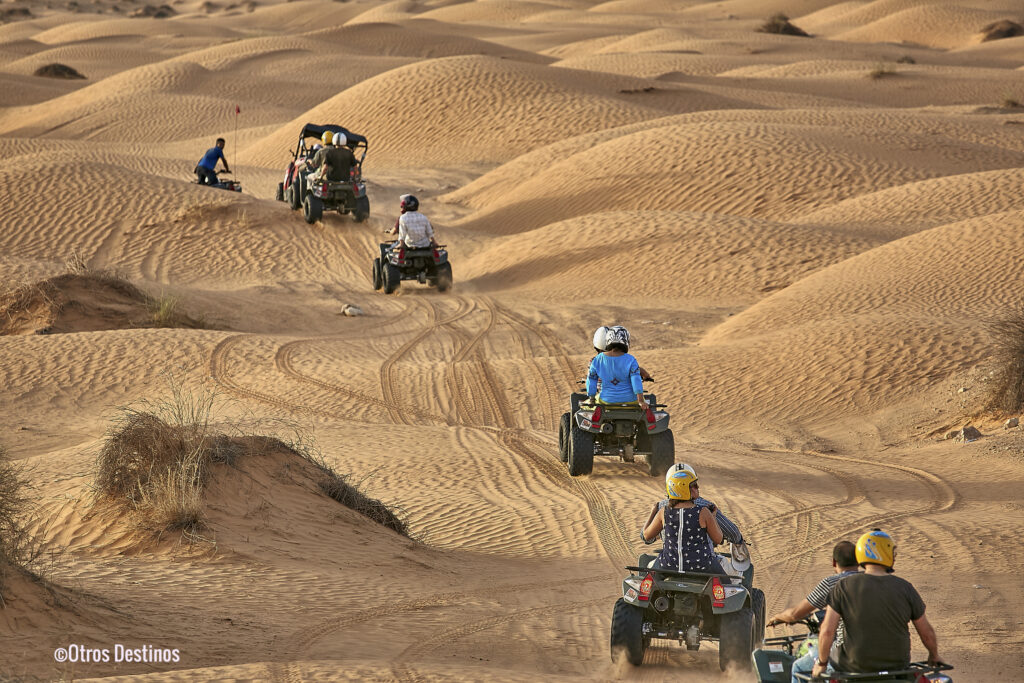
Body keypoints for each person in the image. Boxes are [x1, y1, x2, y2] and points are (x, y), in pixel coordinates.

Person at [811, 529, 944, 680]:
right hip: (898, 664)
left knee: (816, 666)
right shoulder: (905, 587)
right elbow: (926, 632)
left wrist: (821, 663)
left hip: (854, 665)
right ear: (885, 554)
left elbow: (827, 631)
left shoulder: (843, 586)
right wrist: (934, 655)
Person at [766, 541, 859, 683]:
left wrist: (777, 617)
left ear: (834, 562)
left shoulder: (832, 583)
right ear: (858, 560)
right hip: (877, 653)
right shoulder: (872, 581)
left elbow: (795, 614)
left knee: (798, 667)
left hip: (845, 654)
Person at [642, 463, 726, 574]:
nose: (698, 488)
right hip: (701, 566)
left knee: (646, 583)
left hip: (668, 566)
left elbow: (646, 535)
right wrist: (713, 517)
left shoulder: (663, 512)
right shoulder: (703, 512)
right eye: (694, 485)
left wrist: (653, 512)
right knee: (728, 585)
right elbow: (719, 539)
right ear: (684, 489)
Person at [585, 326, 645, 407]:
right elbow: (636, 380)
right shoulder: (631, 359)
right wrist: (640, 401)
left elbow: (591, 380)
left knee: (584, 407)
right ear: (625, 340)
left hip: (607, 401)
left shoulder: (597, 360)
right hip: (631, 401)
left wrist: (592, 399)